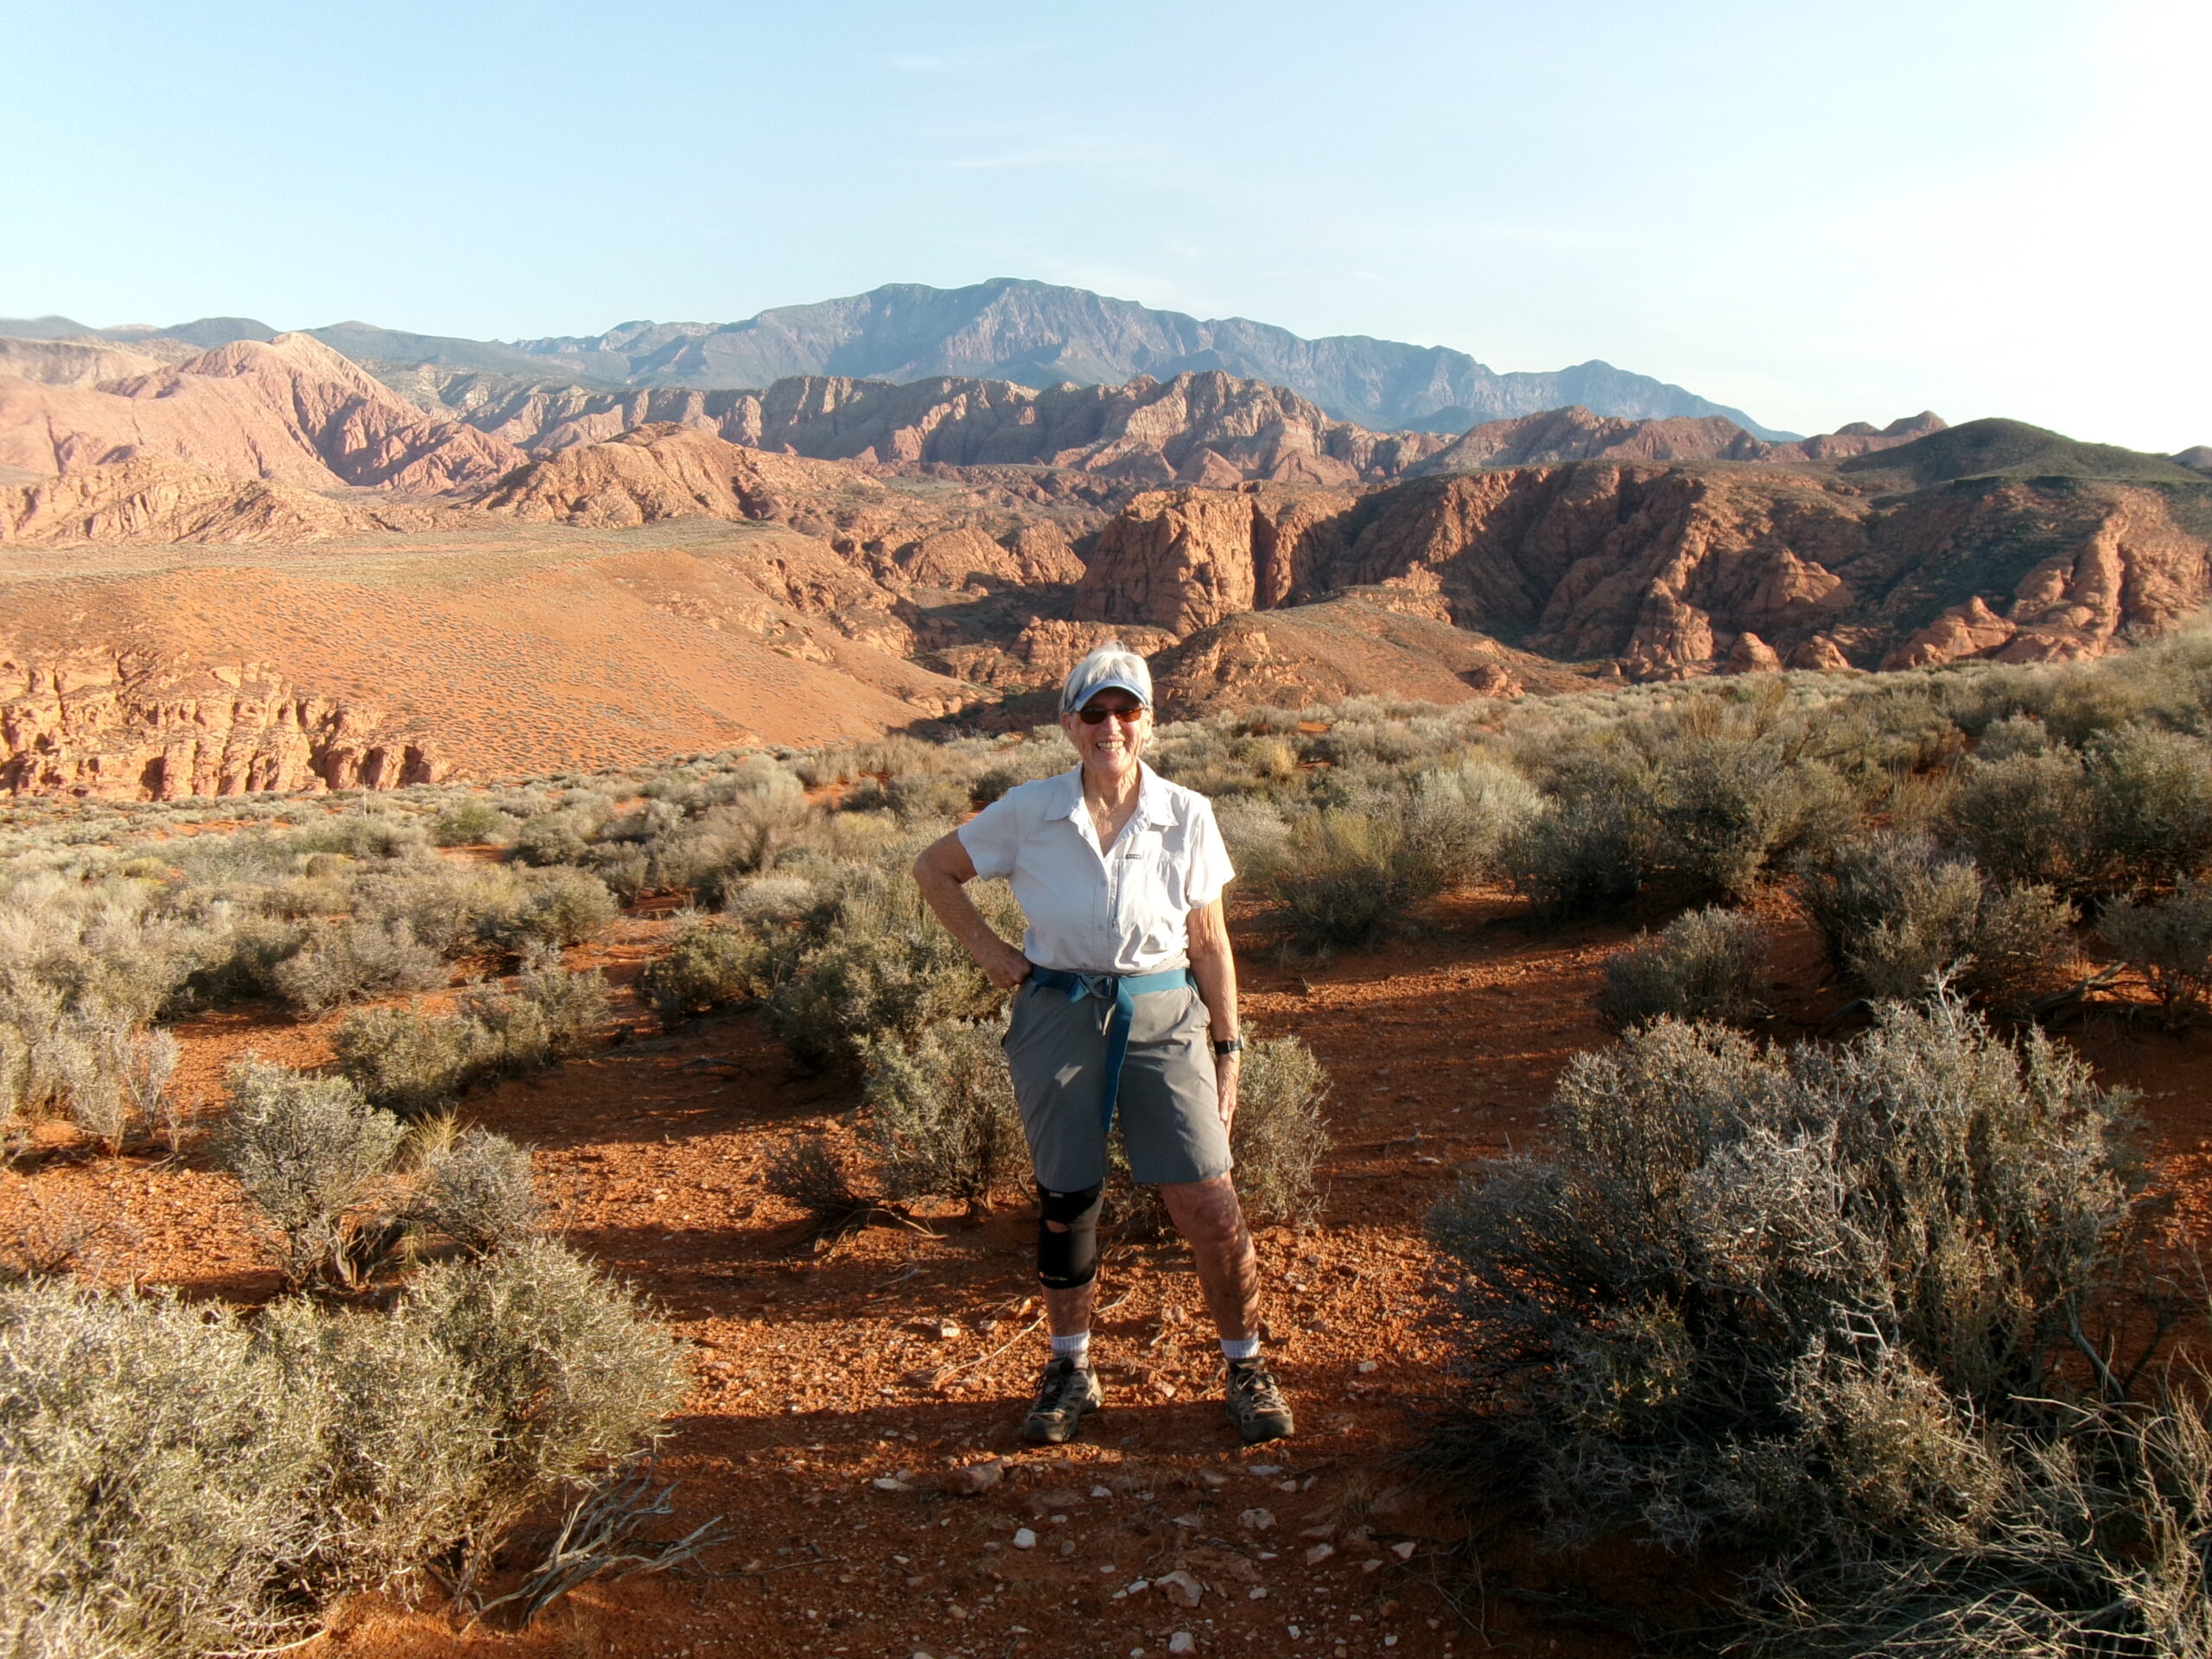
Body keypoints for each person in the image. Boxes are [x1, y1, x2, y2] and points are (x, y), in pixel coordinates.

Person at [911, 643, 1294, 1447]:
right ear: (1069, 725)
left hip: (1163, 1013)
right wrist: (990, 953)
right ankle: (1070, 1370)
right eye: (1094, 712)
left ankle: (1246, 1365)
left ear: (1148, 722)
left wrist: (1228, 1049)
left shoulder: (1187, 813)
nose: (1110, 727)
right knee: (1067, 1200)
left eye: (1126, 711)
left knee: (1209, 1200)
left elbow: (1209, 942)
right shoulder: (1029, 810)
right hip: (1058, 1012)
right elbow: (934, 869)